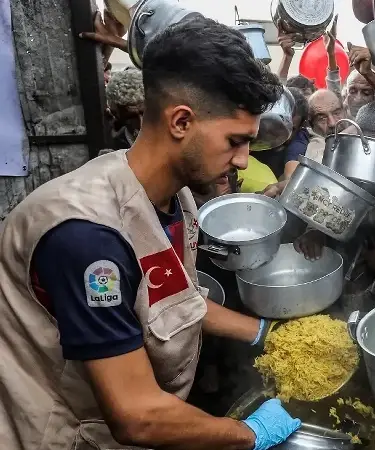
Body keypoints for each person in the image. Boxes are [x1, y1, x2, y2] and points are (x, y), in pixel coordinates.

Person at [0, 18, 301, 449]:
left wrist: (263, 331)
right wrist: (249, 435)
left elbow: (176, 298)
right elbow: (137, 417)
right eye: (235, 140)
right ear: (181, 121)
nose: (241, 161)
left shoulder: (175, 200)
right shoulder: (86, 237)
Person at [105, 67, 144, 150]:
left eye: (146, 114)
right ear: (116, 114)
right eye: (131, 117)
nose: (141, 124)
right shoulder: (112, 151)